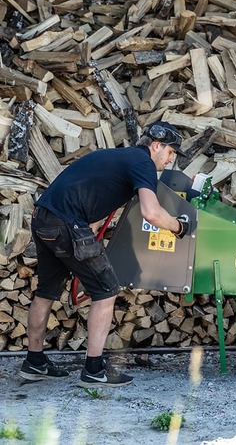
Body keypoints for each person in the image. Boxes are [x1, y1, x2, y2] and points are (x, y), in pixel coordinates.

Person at [20, 121, 190, 387]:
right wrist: (179, 226)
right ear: (156, 145)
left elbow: (92, 208)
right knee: (106, 291)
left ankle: (34, 362)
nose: (170, 160)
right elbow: (151, 212)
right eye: (171, 153)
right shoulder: (142, 163)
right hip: (65, 223)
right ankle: (94, 370)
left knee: (46, 292)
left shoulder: (116, 157)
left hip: (43, 218)